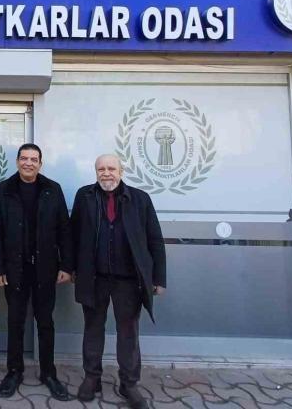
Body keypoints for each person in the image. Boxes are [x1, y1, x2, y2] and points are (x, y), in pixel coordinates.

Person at [70, 154, 167, 409]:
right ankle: (92, 378)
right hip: (94, 278)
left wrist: (158, 278)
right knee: (93, 329)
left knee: (128, 333)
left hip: (129, 281)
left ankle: (129, 383)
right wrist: (69, 268)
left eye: (111, 168)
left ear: (121, 171)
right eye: (101, 169)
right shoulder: (84, 196)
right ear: (95, 172)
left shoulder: (140, 199)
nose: (106, 173)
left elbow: (155, 239)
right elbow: (72, 235)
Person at [0, 143, 73, 401]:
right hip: (14, 269)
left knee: (45, 322)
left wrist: (66, 265)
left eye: (33, 159)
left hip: (45, 270)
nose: (28, 163)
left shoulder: (52, 189)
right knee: (15, 322)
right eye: (24, 158)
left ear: (40, 163)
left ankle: (48, 373)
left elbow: (64, 230)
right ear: (17, 162)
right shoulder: (3, 190)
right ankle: (14, 371)